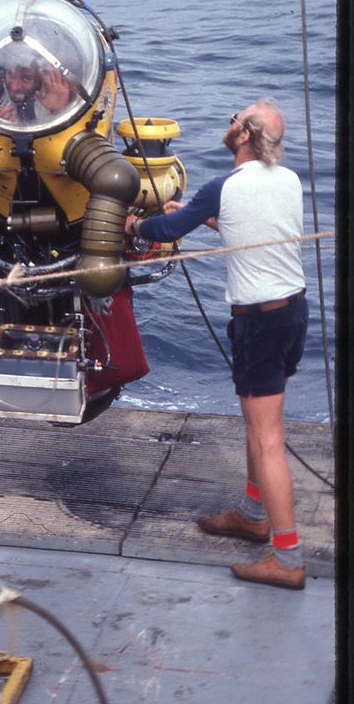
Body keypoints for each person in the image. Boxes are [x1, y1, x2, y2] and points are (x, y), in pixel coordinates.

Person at [127, 97, 308, 590]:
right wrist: (201, 215)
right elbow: (252, 223)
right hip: (293, 313)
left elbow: (164, 230)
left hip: (260, 325)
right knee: (259, 425)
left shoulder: (223, 185)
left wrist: (135, 225)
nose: (229, 122)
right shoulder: (287, 179)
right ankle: (252, 516)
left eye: (235, 118)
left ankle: (287, 560)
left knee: (268, 439)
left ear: (244, 135)